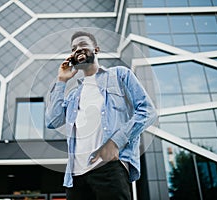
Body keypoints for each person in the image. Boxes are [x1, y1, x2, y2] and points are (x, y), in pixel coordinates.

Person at [45, 31, 157, 200]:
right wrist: (61, 81)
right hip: (75, 178)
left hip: (109, 167)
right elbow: (52, 121)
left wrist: (115, 143)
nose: (77, 50)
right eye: (73, 48)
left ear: (96, 50)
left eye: (83, 45)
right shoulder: (73, 95)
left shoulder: (119, 75)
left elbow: (148, 111)